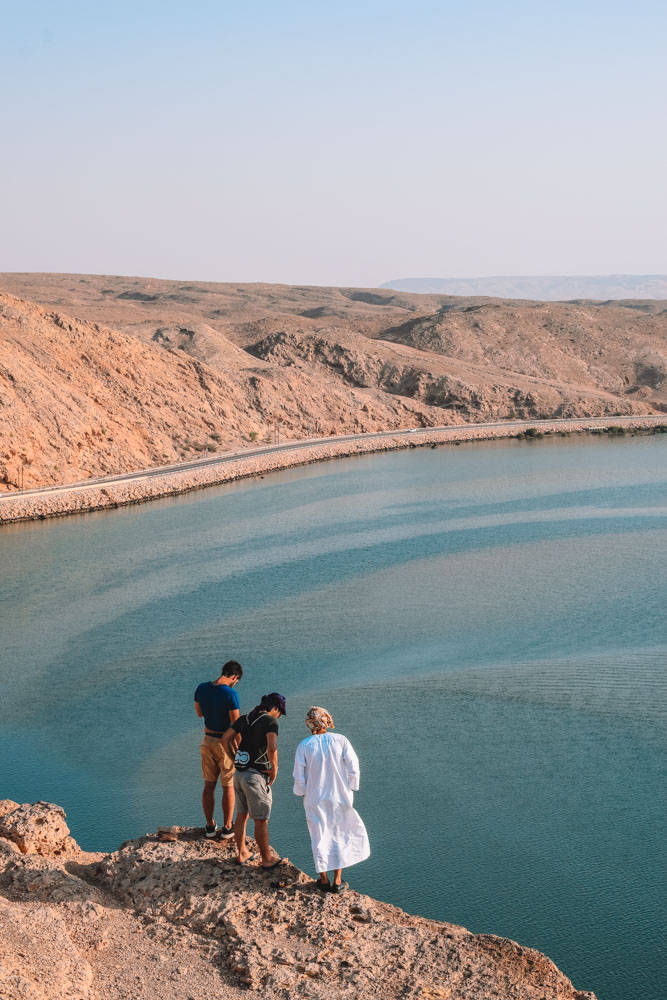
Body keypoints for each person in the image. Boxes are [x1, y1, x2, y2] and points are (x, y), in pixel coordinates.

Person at [293, 706, 370, 893]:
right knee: (339, 834)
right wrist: (352, 786)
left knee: (319, 835)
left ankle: (324, 880)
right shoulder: (341, 740)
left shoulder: (304, 745)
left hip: (315, 797)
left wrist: (302, 792)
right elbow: (354, 767)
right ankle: (337, 881)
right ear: (326, 720)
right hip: (340, 796)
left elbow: (299, 776)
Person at [222, 692, 287, 869]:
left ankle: (242, 853)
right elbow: (272, 748)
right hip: (255, 777)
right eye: (280, 712)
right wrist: (274, 770)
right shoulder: (270, 721)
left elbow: (225, 738)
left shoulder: (245, 718)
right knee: (261, 819)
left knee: (242, 815)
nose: (279, 716)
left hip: (239, 775)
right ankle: (267, 859)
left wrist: (234, 757)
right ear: (274, 708)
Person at [194, 660, 243, 839]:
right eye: (236, 681)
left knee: (208, 785)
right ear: (235, 677)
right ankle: (228, 827)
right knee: (228, 785)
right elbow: (236, 723)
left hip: (207, 741)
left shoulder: (201, 688)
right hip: (225, 742)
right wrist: (241, 747)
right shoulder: (231, 694)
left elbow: (199, 713)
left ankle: (209, 826)